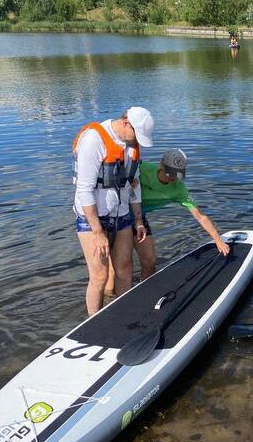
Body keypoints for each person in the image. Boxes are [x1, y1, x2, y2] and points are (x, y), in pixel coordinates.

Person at [105, 148, 230, 292]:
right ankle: (109, 302)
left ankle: (143, 293)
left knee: (150, 262)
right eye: (169, 173)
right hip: (117, 215)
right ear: (161, 165)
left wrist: (218, 240)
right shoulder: (142, 169)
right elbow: (113, 176)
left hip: (139, 220)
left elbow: (200, 216)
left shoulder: (178, 189)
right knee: (115, 269)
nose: (172, 179)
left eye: (176, 175)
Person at [72, 107, 154, 315]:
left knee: (125, 269)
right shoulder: (95, 139)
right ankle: (93, 323)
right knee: (99, 276)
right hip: (92, 219)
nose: (137, 141)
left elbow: (133, 186)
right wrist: (98, 232)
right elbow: (84, 190)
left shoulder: (132, 146)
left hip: (122, 215)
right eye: (136, 134)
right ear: (126, 122)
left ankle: (124, 316)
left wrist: (138, 220)